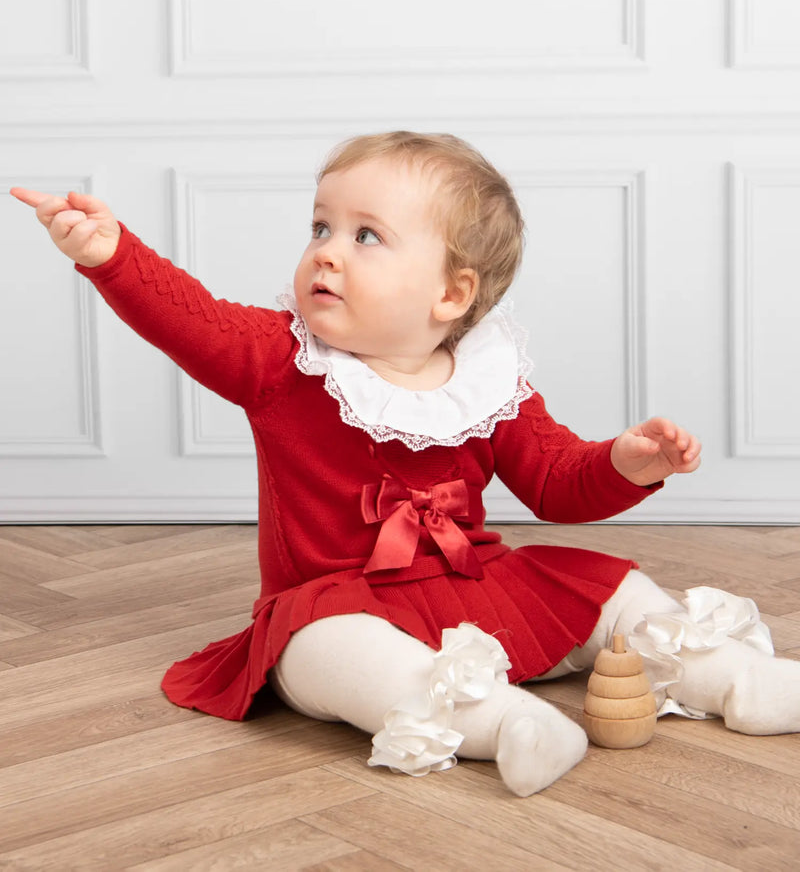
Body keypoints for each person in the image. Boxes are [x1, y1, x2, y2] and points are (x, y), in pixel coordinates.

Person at [10, 131, 799, 798]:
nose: (326, 252)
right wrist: (112, 255)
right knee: (327, 651)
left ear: (451, 294)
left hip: (475, 588)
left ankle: (731, 674)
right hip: (337, 602)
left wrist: (626, 462)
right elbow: (190, 318)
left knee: (614, 588)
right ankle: (504, 723)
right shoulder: (281, 358)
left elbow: (555, 480)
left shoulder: (488, 379)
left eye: (366, 236)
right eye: (320, 226)